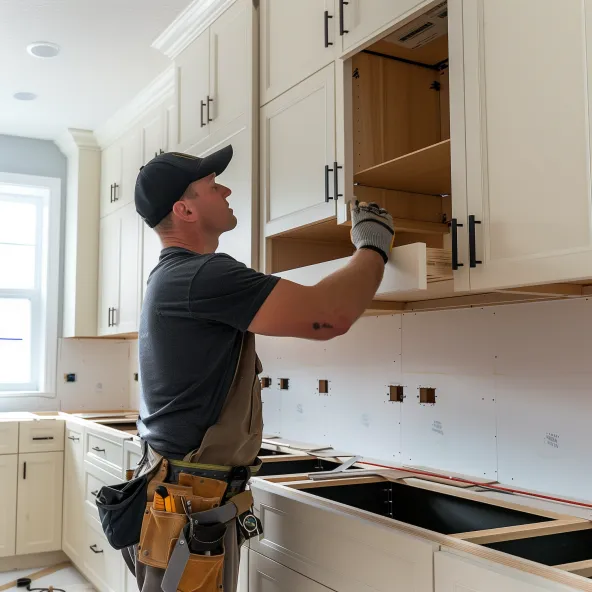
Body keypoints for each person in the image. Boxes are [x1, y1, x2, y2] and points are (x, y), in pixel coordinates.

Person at [121, 145, 395, 592]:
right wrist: (373, 245)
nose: (227, 188)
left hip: (184, 495)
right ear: (184, 209)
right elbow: (329, 315)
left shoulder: (174, 276)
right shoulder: (199, 276)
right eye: (212, 185)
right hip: (189, 503)